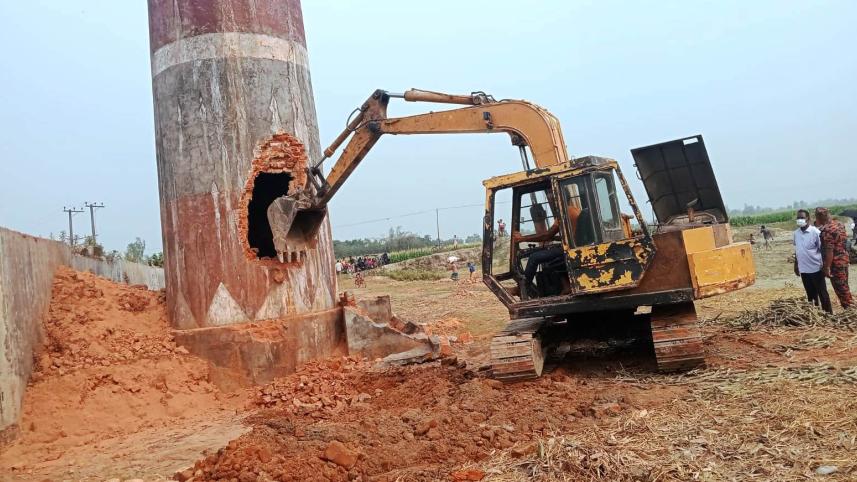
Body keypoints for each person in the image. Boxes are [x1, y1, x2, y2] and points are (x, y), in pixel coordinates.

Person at [793, 209, 832, 313]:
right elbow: (797, 250)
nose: (799, 220)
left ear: (808, 219)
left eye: (802, 217)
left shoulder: (815, 232)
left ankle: (829, 315)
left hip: (816, 268)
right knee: (810, 294)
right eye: (798, 218)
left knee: (822, 293)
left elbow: (822, 250)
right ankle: (816, 315)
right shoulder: (796, 233)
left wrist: (825, 266)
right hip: (804, 270)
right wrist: (796, 265)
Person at [816, 207, 852, 309]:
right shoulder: (839, 224)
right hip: (844, 260)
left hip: (835, 265)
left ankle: (850, 311)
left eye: (817, 217)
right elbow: (844, 242)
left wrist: (827, 267)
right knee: (845, 287)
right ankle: (851, 308)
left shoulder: (827, 230)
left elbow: (829, 250)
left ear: (821, 217)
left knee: (841, 290)